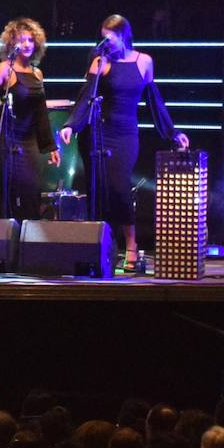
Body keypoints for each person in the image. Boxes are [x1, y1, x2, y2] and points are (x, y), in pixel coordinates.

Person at [59, 14, 189, 270]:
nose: (107, 42)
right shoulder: (100, 61)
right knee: (99, 191)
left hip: (125, 135)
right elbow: (86, 96)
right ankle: (106, 247)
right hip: (97, 134)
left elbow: (154, 101)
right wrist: (71, 125)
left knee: (119, 187)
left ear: (124, 36)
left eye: (112, 36)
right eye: (103, 36)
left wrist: (172, 132)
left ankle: (131, 243)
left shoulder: (144, 61)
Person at [0, 18, 60, 221]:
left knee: (31, 190)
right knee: (6, 191)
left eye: (30, 40)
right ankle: (4, 242)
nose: (26, 44)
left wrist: (50, 146)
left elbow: (40, 112)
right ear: (11, 44)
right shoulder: (4, 68)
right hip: (5, 138)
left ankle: (27, 242)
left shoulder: (37, 73)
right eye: (21, 40)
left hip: (29, 140)